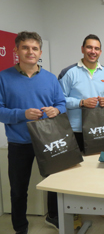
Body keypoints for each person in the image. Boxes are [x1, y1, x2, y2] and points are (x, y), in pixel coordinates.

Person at [0, 31, 66, 234]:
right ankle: (20, 227)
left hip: (48, 140)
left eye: (34, 48)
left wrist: (56, 110)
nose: (30, 52)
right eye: (25, 47)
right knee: (18, 190)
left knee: (55, 185)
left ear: (40, 52)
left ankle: (54, 217)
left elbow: (61, 104)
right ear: (16, 50)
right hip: (19, 143)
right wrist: (23, 114)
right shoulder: (3, 77)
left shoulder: (50, 78)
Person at [58, 34, 104, 152]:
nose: (93, 51)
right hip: (75, 130)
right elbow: (60, 100)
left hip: (99, 129)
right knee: (76, 168)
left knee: (98, 166)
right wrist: (81, 103)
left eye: (96, 48)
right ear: (82, 49)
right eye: (89, 47)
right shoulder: (68, 72)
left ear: (100, 51)